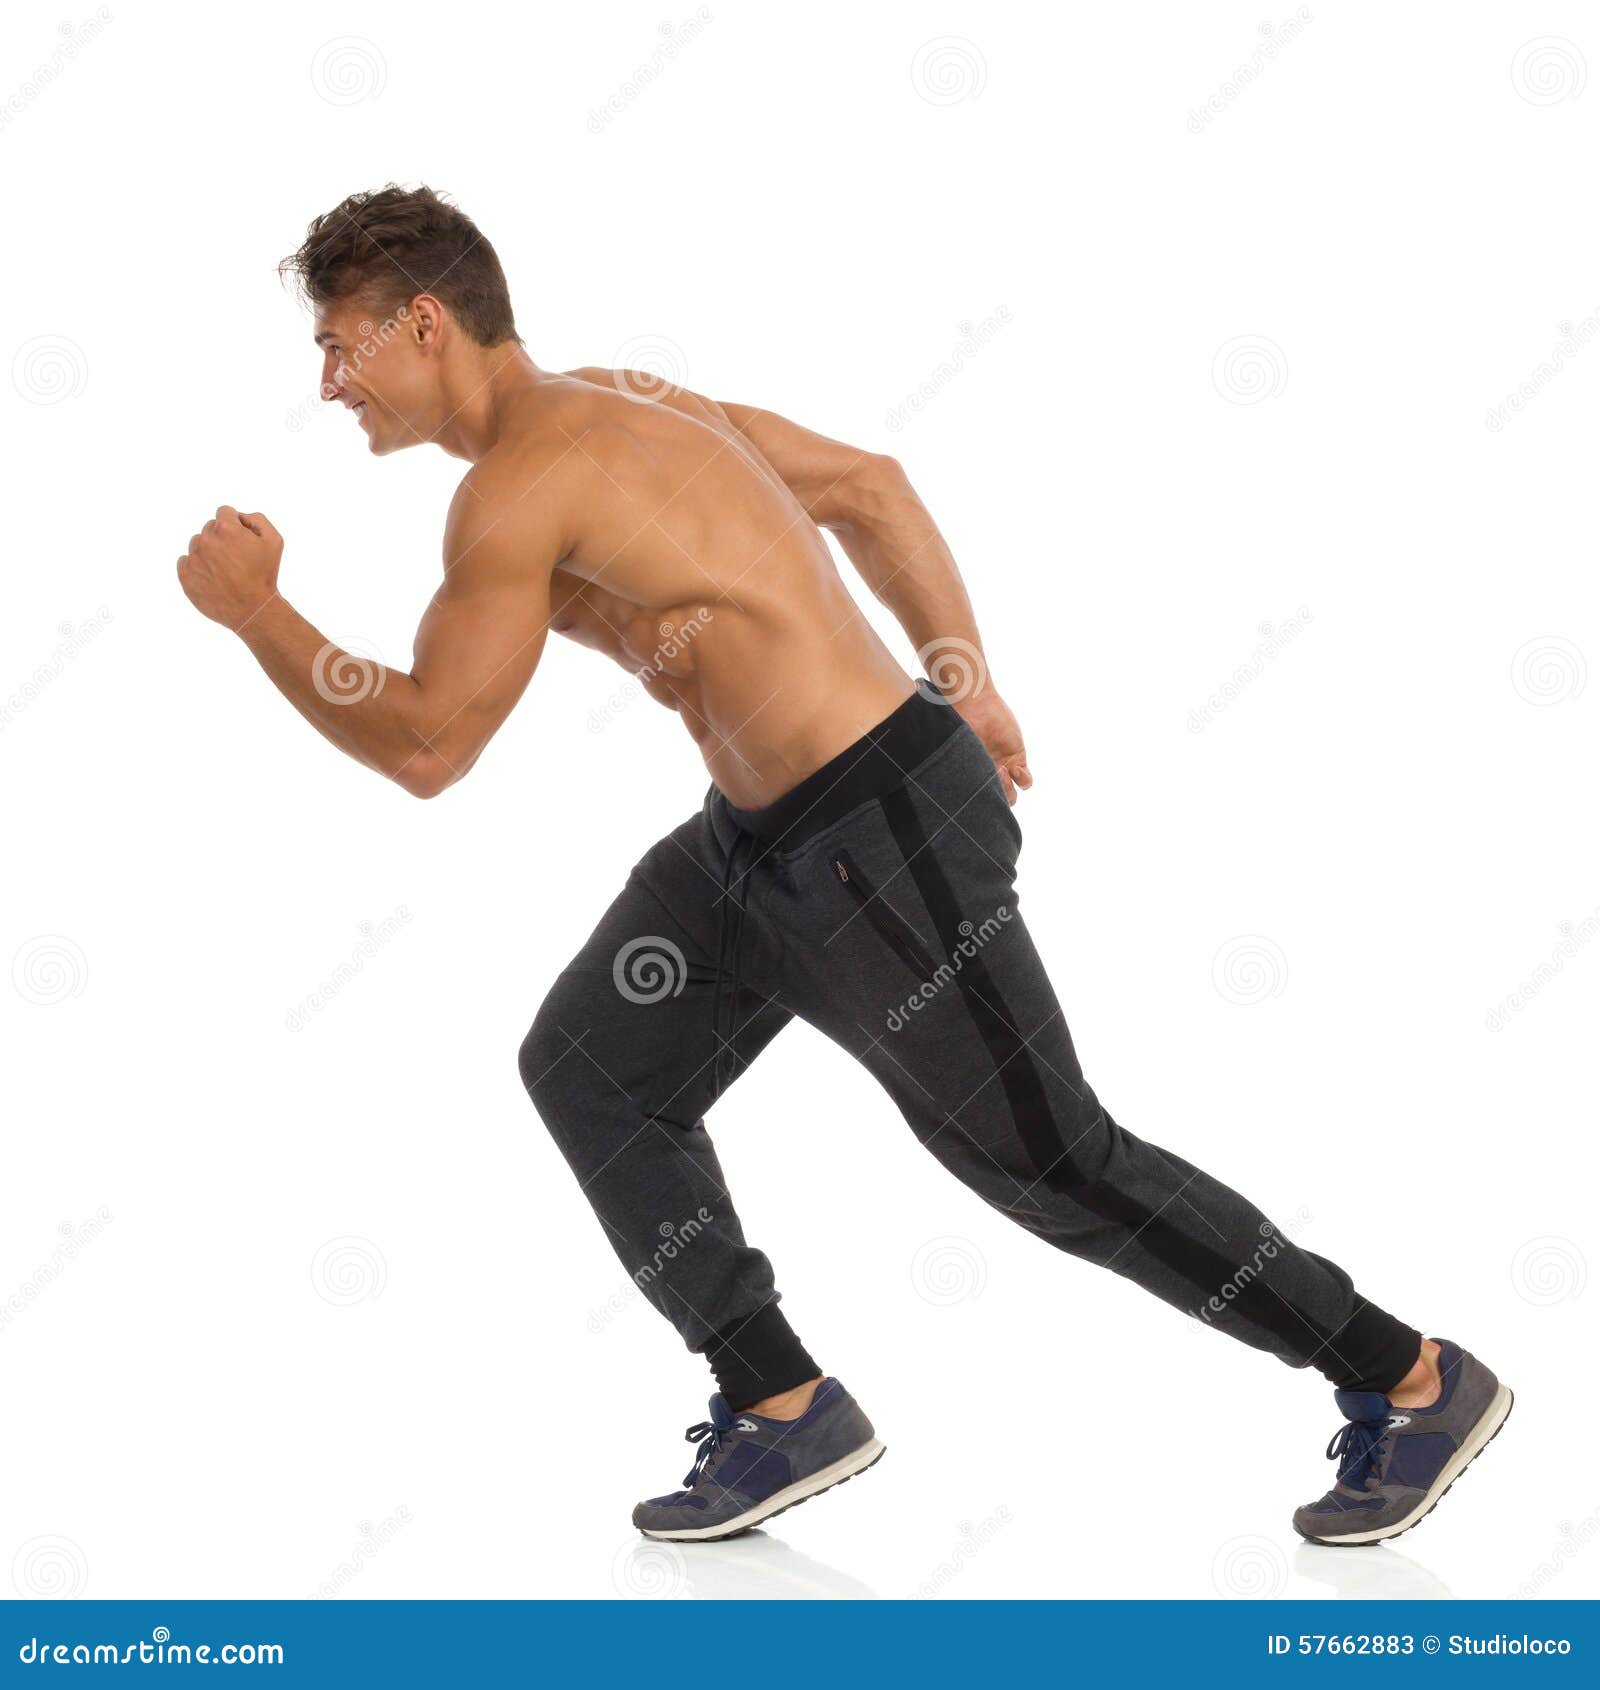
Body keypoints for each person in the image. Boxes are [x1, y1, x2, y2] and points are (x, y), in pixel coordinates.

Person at [177, 185, 1511, 1547]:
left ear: (426, 322)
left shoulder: (518, 488)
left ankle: (1406, 1373)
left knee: (1053, 1159)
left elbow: (428, 742)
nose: (330, 382)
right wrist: (966, 680)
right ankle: (778, 1399)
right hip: (762, 842)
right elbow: (868, 488)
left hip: (879, 834)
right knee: (591, 1062)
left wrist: (256, 613)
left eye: (342, 343)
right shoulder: (630, 401)